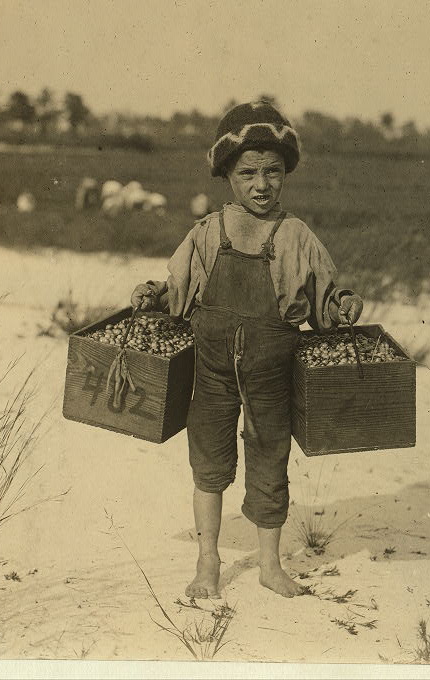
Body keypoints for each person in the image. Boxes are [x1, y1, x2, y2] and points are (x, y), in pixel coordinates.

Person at [130, 101, 363, 599]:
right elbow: (178, 290)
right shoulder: (208, 232)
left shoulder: (297, 236)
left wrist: (343, 304)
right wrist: (153, 295)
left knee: (269, 460)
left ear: (286, 175)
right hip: (211, 374)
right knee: (209, 464)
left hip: (271, 375)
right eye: (249, 173)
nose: (262, 184)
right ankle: (207, 560)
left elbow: (324, 299)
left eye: (273, 172)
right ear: (228, 176)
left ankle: (271, 566)